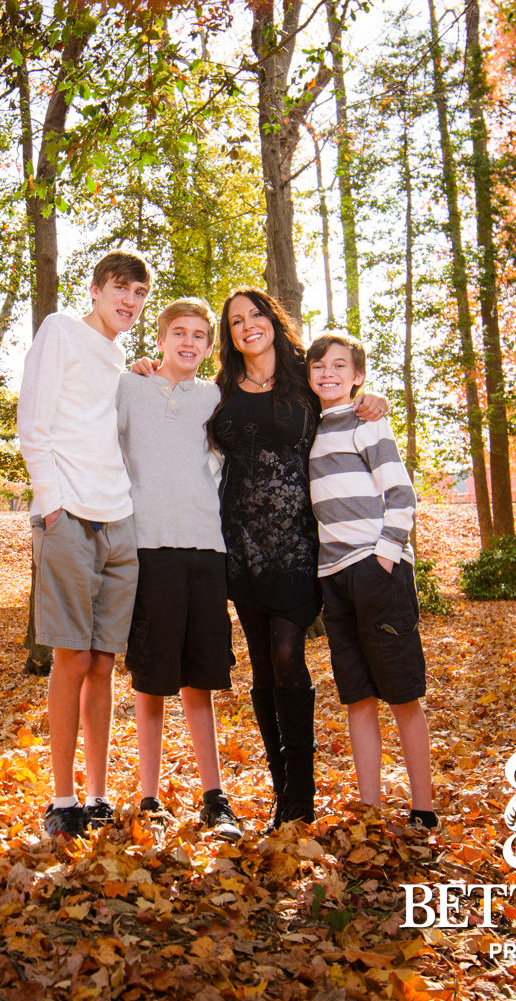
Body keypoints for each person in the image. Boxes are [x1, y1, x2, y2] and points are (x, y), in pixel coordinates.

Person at [206, 288, 386, 829]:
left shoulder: (302, 375)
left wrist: (372, 399)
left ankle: (301, 795)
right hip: (239, 542)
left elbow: (342, 390)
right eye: (235, 321)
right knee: (262, 667)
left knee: (288, 655)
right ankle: (281, 790)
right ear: (229, 334)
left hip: (298, 542)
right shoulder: (219, 389)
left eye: (255, 315)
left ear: (272, 320)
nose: (246, 326)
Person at [16, 250, 151, 839]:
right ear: (95, 290)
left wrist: (137, 374)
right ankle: (63, 798)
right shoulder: (60, 331)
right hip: (68, 515)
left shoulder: (117, 355)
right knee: (71, 656)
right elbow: (34, 422)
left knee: (104, 661)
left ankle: (97, 795)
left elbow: (104, 415)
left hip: (120, 520)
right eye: (120, 288)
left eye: (139, 293)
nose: (129, 300)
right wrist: (50, 506)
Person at [116, 298, 242, 843]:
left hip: (205, 550)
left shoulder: (215, 398)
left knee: (200, 681)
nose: (188, 342)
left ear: (211, 347)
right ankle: (150, 796)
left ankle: (215, 798)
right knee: (152, 680)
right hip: (149, 549)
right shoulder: (130, 388)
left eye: (199, 336)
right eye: (179, 333)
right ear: (161, 338)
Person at [305, 333, 436, 830]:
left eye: (340, 365)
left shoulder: (368, 422)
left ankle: (423, 808)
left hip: (376, 569)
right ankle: (371, 808)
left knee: (402, 693)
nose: (328, 372)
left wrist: (384, 557)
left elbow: (402, 494)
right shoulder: (314, 430)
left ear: (358, 376)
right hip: (334, 577)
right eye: (319, 365)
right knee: (356, 696)